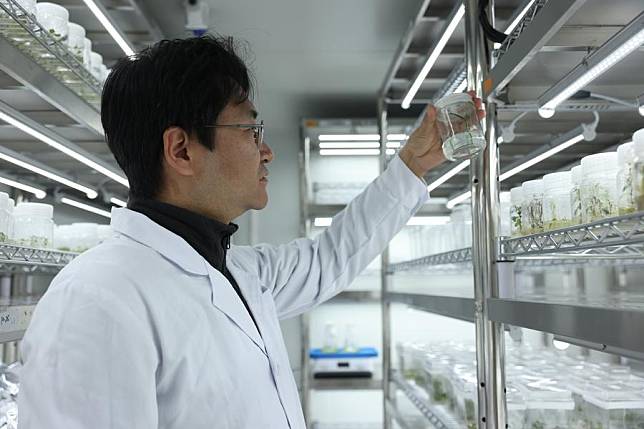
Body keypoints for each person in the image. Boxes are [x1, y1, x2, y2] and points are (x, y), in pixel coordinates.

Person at [18, 36, 483, 428]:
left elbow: (329, 259)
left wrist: (415, 163)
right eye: (251, 130)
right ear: (181, 150)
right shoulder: (98, 298)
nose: (267, 152)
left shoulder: (235, 269)